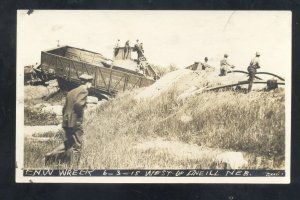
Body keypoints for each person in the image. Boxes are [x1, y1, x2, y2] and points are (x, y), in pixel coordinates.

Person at [45, 74, 93, 167]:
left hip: (67, 121)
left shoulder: (72, 91)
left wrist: (67, 118)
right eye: (91, 83)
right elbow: (78, 104)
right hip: (75, 121)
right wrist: (79, 117)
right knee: (78, 145)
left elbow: (64, 108)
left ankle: (50, 155)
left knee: (70, 142)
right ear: (88, 83)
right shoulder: (84, 90)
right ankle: (74, 167)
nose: (91, 85)